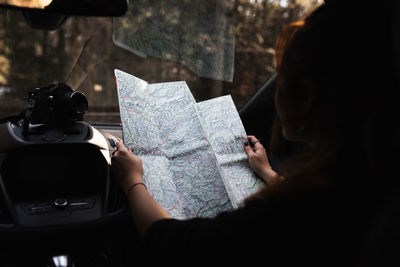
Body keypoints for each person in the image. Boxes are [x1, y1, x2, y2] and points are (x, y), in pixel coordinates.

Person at [111, 1, 399, 265]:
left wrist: (133, 181)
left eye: (283, 79)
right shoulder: (367, 180)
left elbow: (177, 245)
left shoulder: (287, 212)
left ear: (307, 95)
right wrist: (269, 174)